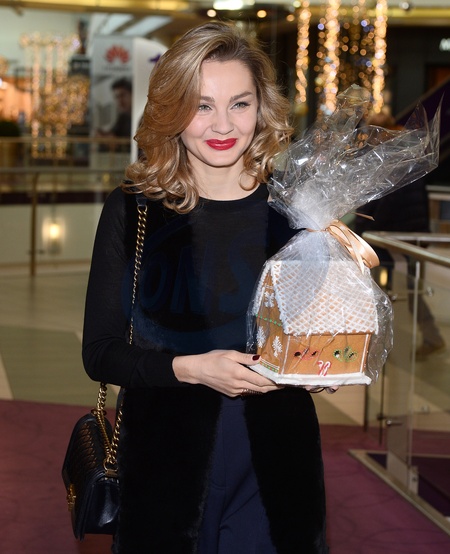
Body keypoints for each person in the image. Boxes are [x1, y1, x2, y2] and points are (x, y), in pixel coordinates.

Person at [82, 22, 328, 553]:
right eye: (201, 106)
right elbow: (100, 353)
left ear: (261, 108)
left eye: (239, 104)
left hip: (276, 459)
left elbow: (314, 338)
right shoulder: (134, 208)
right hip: (164, 457)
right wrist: (191, 368)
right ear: (172, 110)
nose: (222, 125)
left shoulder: (296, 210)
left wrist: (322, 363)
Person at [354, 111, 446, 360]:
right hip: (410, 235)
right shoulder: (408, 155)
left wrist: (361, 231)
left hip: (392, 238)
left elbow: (383, 204)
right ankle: (428, 337)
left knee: (390, 290)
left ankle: (384, 345)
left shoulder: (387, 160)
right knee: (409, 290)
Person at [97, 77, 133, 152]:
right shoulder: (123, 117)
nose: (120, 100)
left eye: (122, 95)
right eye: (117, 97)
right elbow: (113, 134)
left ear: (132, 95)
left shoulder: (142, 117)